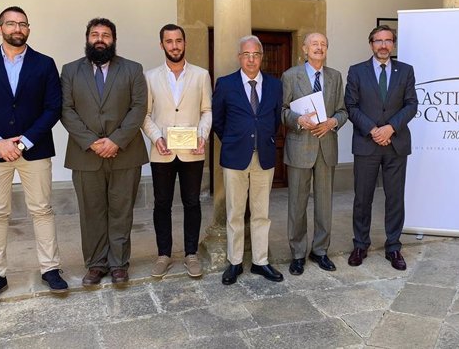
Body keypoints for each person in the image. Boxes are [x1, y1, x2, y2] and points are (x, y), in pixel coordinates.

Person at [0, 6, 68, 304]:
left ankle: (50, 269)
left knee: (43, 209)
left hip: (34, 150)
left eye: (22, 24)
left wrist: (25, 142)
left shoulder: (44, 64)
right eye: (11, 23)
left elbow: (53, 108)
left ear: (29, 29)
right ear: (0, 29)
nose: (17, 28)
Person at [61, 17, 148, 288]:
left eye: (106, 35)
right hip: (85, 154)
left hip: (125, 152)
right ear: (87, 38)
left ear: (114, 40)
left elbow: (138, 108)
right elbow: (66, 109)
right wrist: (92, 141)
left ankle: (119, 264)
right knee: (91, 211)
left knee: (122, 211)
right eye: (95, 34)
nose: (100, 39)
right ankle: (96, 264)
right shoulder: (70, 71)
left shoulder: (132, 69)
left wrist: (116, 140)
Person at [344, 24, 418, 271]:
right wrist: (374, 130)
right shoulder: (356, 72)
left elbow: (411, 105)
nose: (383, 45)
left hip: (396, 144)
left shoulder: (405, 71)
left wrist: (390, 128)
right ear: (371, 44)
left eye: (388, 40)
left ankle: (394, 246)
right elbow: (351, 106)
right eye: (378, 41)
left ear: (393, 44)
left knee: (395, 198)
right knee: (362, 198)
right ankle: (360, 244)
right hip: (367, 143)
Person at [212, 35, 284, 285]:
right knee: (235, 212)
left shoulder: (275, 85)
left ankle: (260, 262)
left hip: (263, 156)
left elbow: (275, 120)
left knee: (261, 212)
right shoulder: (225, 84)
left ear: (261, 57)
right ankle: (234, 262)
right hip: (235, 157)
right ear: (239, 57)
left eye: (256, 55)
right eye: (246, 54)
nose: (251, 59)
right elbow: (218, 121)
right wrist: (235, 140)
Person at [141, 24, 212, 278]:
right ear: (162, 45)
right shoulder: (149, 77)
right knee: (162, 204)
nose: (174, 45)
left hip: (193, 150)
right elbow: (145, 114)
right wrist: (156, 137)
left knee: (192, 202)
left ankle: (191, 254)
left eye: (178, 40)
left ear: (185, 43)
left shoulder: (201, 75)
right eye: (169, 41)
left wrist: (201, 135)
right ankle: (164, 255)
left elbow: (207, 111)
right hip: (162, 150)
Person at [281, 33, 348, 275]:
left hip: (326, 146)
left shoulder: (335, 77)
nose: (319, 48)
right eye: (314, 44)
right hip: (299, 146)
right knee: (297, 204)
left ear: (326, 50)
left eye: (323, 45)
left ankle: (320, 250)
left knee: (324, 204)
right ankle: (298, 253)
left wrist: (332, 122)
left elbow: (343, 110)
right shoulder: (290, 76)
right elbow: (281, 110)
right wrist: (298, 119)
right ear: (304, 49)